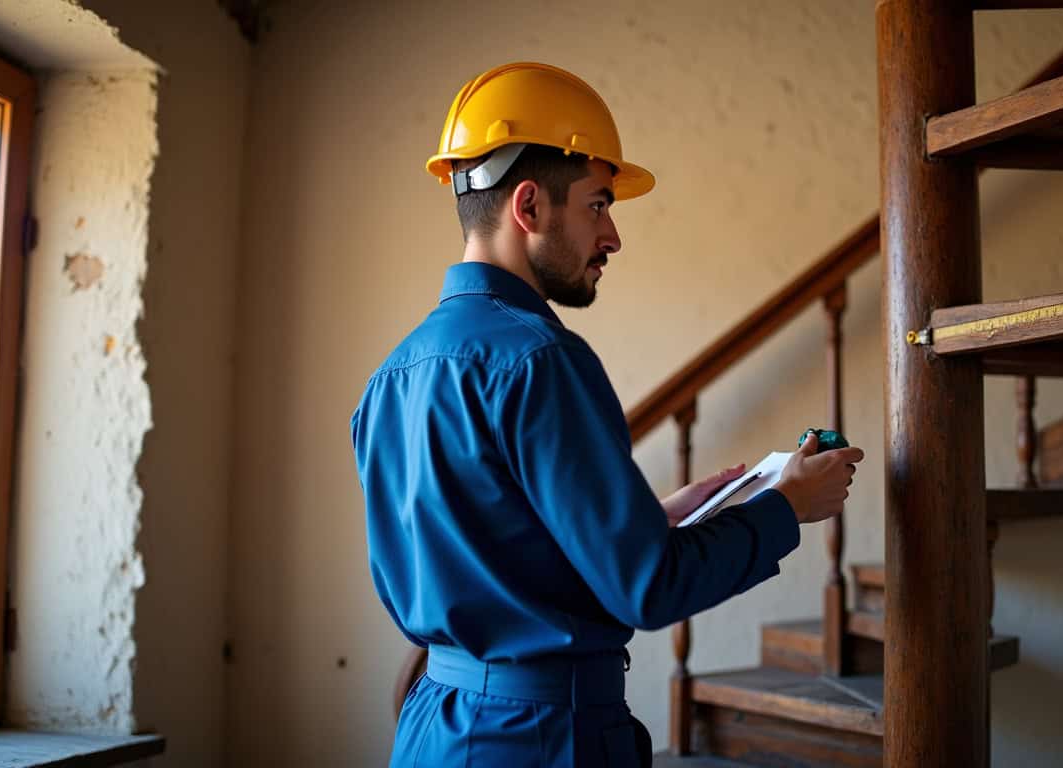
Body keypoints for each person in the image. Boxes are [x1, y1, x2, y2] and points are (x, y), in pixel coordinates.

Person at [350, 61, 865, 768]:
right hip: (541, 741)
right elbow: (649, 591)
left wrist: (648, 520)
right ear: (529, 208)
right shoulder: (540, 359)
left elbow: (498, 548)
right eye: (598, 204)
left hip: (434, 732)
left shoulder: (388, 379)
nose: (613, 234)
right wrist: (787, 508)